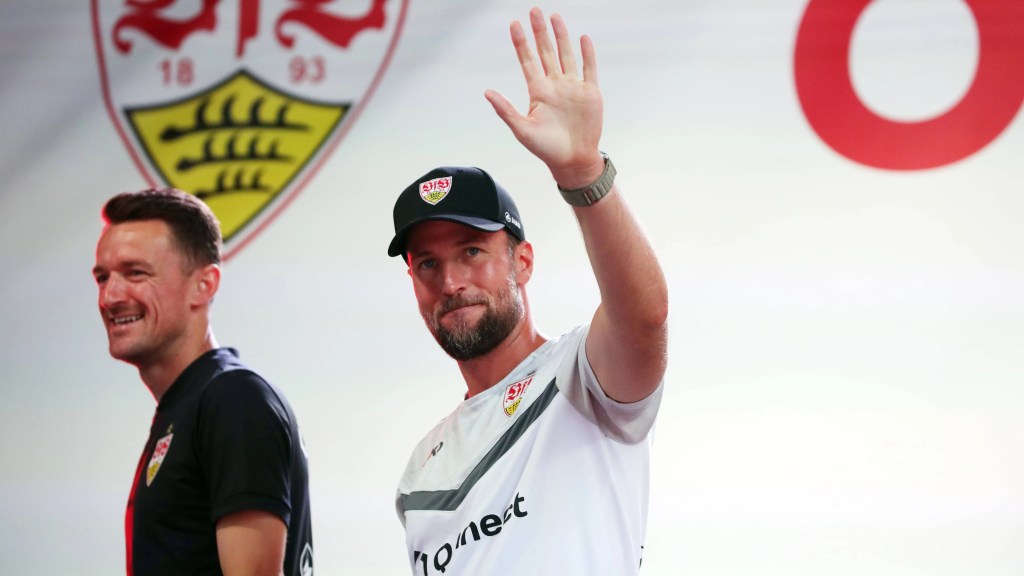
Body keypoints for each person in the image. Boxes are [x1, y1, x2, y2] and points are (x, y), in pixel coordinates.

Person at [389, 8, 668, 575]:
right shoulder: (420, 470)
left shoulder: (581, 376)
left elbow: (645, 318)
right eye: (428, 264)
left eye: (472, 251)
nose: (451, 282)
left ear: (523, 261)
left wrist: (584, 173)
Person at [92, 188, 313, 576]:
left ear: (205, 284)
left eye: (135, 273)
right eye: (102, 277)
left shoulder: (233, 399)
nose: (110, 296)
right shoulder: (194, 404)